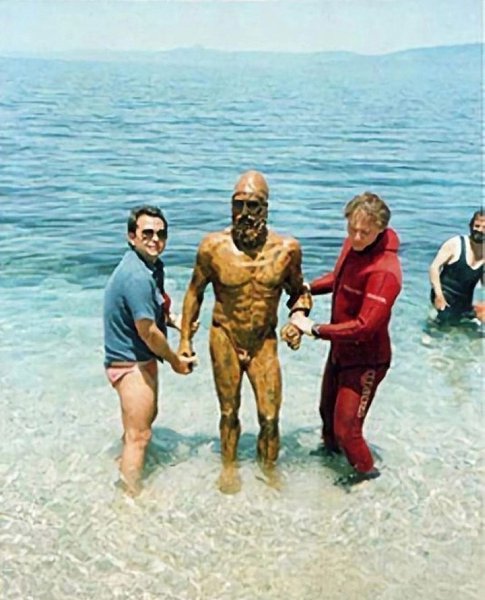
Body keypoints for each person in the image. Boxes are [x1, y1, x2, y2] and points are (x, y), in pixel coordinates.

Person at [178, 170, 312, 492]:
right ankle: (229, 468)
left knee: (270, 417)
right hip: (224, 334)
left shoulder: (287, 250)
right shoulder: (213, 247)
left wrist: (297, 319)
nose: (244, 214)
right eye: (238, 205)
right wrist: (184, 340)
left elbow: (299, 292)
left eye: (253, 206)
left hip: (263, 340)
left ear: (266, 208)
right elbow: (194, 292)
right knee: (228, 411)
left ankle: (269, 472)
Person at [290, 192, 402, 487]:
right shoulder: (352, 244)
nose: (356, 237)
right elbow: (339, 278)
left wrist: (314, 328)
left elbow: (364, 327)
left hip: (367, 360)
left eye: (365, 232)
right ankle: (330, 462)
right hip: (340, 351)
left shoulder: (385, 272)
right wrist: (307, 288)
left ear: (381, 230)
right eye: (352, 228)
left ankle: (367, 476)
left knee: (347, 430)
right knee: (326, 414)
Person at [103, 205, 194, 496]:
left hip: (140, 357)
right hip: (128, 363)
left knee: (140, 425)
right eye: (147, 233)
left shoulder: (152, 266)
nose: (155, 239)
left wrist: (175, 321)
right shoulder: (137, 276)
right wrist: (175, 361)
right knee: (139, 436)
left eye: (161, 234)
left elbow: (154, 309)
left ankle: (124, 469)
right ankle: (129, 500)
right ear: (132, 237)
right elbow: (148, 331)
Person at [428, 209, 484, 326]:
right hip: (445, 296)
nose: (479, 230)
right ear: (470, 226)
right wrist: (439, 295)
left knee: (473, 332)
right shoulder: (455, 244)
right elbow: (434, 268)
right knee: (441, 329)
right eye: (477, 226)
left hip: (464, 302)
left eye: (484, 227)